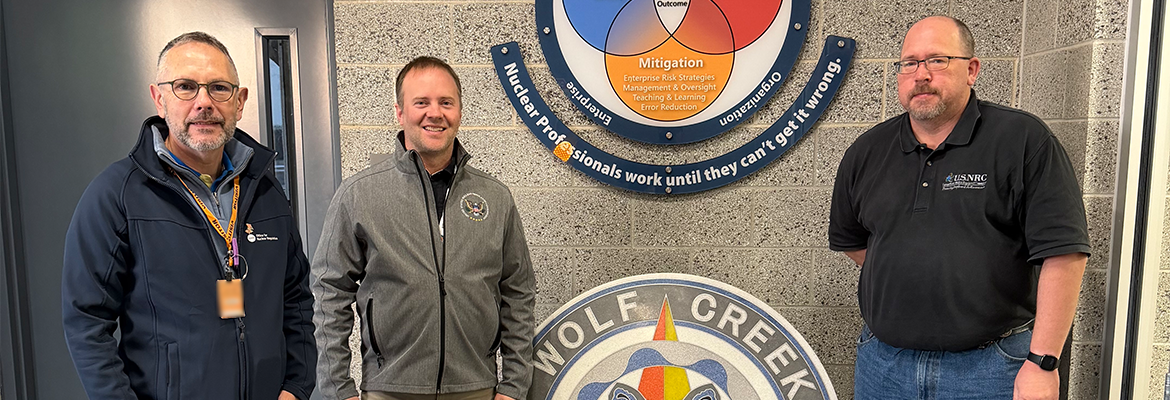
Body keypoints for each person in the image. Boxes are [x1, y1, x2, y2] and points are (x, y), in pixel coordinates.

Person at [828, 16, 1089, 400]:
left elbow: (1064, 254)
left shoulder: (1023, 141)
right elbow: (854, 243)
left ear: (971, 69)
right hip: (885, 367)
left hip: (993, 368)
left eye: (937, 60)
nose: (921, 75)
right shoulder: (866, 152)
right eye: (910, 63)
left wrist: (1043, 363)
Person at [62, 32, 316, 400]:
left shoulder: (266, 190)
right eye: (185, 87)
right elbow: (86, 321)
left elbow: (295, 298)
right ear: (159, 98)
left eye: (218, 88)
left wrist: (296, 385)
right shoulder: (116, 195)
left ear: (240, 102)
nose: (204, 103)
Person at [312, 56, 535, 400]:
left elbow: (518, 293)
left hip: (476, 388)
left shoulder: (495, 197)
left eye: (446, 102)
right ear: (400, 113)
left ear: (459, 111)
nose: (435, 113)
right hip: (390, 388)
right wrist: (338, 391)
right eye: (422, 102)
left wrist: (515, 386)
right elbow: (329, 292)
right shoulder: (359, 194)